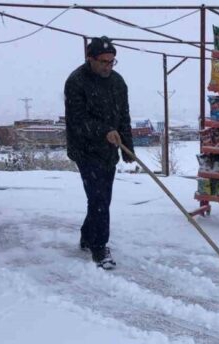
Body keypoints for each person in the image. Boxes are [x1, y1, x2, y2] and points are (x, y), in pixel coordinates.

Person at [64, 36, 134, 270]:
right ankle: (99, 247)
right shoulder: (76, 81)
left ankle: (87, 234)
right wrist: (105, 131)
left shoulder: (117, 82)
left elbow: (123, 115)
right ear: (90, 59)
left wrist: (128, 148)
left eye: (112, 61)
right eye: (103, 61)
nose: (108, 66)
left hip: (109, 149)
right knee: (99, 198)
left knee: (102, 197)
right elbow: (78, 120)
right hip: (85, 149)